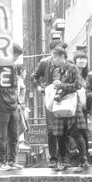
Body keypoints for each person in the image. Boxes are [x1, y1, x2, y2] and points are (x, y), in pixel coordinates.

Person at [45, 45, 87, 171]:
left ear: (62, 57)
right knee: (60, 135)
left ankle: (83, 161)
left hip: (72, 104)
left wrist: (61, 85)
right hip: (60, 105)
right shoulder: (57, 71)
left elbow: (78, 85)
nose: (53, 60)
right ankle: (62, 161)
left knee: (76, 133)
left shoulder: (73, 68)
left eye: (55, 58)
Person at [31, 38, 62, 168]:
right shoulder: (44, 62)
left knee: (65, 127)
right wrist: (39, 88)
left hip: (65, 96)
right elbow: (34, 76)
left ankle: (63, 156)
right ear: (51, 52)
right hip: (50, 96)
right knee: (51, 127)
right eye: (55, 52)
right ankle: (53, 157)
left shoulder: (67, 63)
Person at [0, 79, 23, 171]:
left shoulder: (12, 75)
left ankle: (12, 161)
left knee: (14, 136)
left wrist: (18, 103)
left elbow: (15, 91)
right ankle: (1, 162)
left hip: (13, 108)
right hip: (1, 108)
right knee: (1, 137)